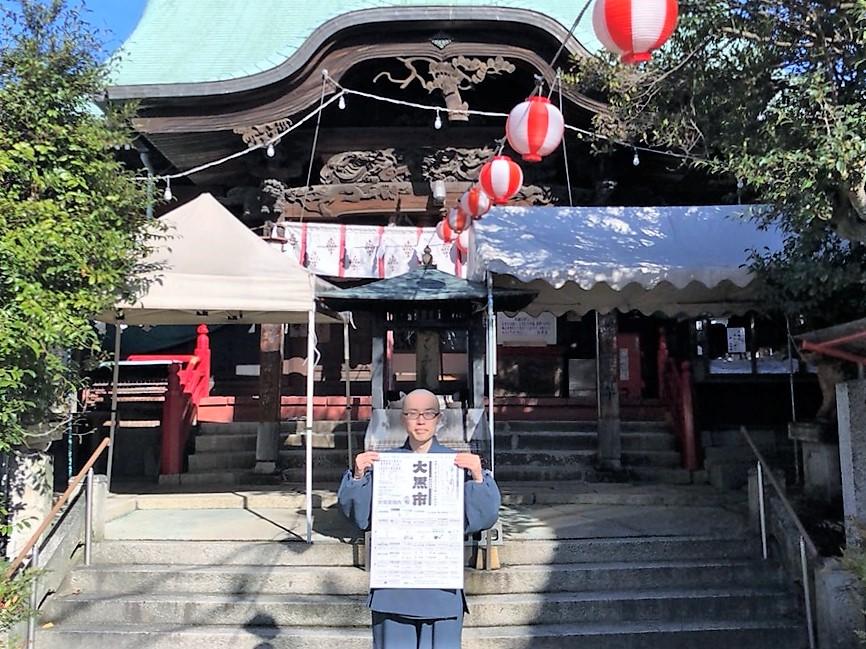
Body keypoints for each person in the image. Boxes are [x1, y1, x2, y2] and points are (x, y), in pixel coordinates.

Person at [337, 388, 501, 649]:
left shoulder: (457, 463)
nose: (420, 420)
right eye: (412, 414)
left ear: (439, 419)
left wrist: (479, 478)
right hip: (393, 588)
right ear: (402, 419)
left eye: (428, 414)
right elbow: (361, 518)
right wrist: (358, 476)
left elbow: (482, 519)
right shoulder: (384, 463)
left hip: (441, 586)